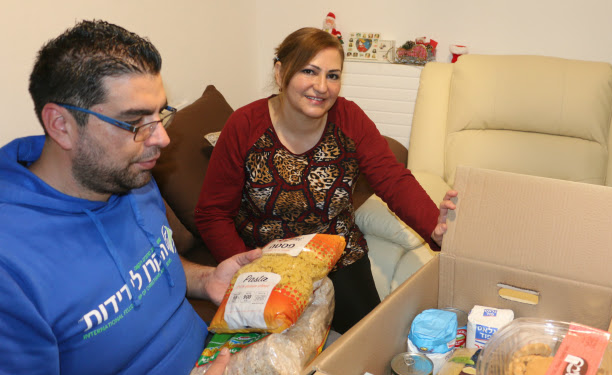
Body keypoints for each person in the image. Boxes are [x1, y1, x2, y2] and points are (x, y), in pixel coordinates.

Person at [0, 20, 253, 375]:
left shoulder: (131, 175)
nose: (162, 139)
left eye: (160, 114)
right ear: (61, 125)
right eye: (136, 122)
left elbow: (147, 266)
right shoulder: (10, 266)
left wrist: (204, 279)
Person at [194, 27, 457, 334]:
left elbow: (393, 180)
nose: (321, 86)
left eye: (333, 75)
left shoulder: (349, 118)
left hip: (338, 257)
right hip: (268, 263)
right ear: (280, 73)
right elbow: (212, 213)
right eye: (309, 71)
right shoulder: (244, 125)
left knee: (370, 343)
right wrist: (249, 270)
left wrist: (435, 228)